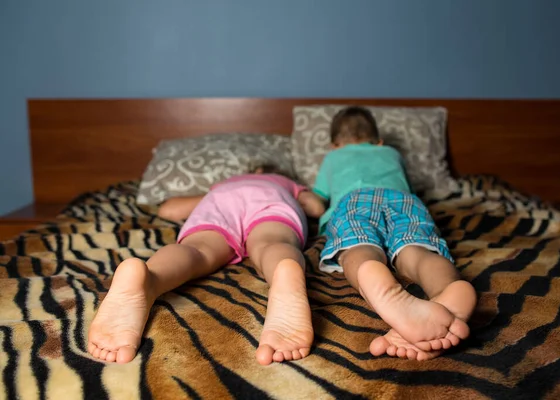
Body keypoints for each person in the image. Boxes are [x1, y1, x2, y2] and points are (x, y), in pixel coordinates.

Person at [87, 166, 325, 365]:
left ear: (254, 170)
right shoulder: (285, 183)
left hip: (221, 203)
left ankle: (150, 278)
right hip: (271, 199)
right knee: (272, 243)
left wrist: (211, 193)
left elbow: (168, 209)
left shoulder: (222, 186)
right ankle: (282, 271)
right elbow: (316, 208)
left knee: (197, 250)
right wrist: (302, 195)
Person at [313, 106, 477, 361]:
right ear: (378, 141)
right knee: (416, 250)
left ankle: (372, 272)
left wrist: (303, 200)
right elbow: (405, 185)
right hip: (404, 200)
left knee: (358, 248)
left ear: (335, 144)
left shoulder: (333, 157)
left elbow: (317, 199)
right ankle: (447, 291)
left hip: (355, 199)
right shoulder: (391, 153)